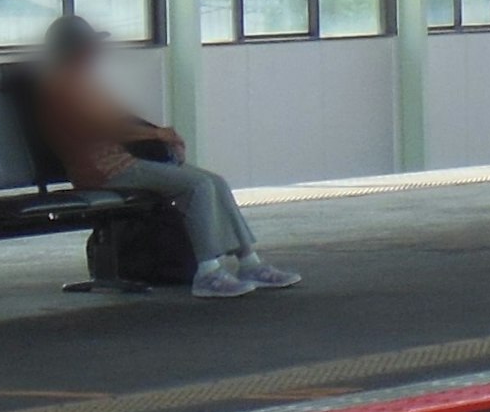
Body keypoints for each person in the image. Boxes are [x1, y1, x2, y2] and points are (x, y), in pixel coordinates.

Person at [34, 16, 298, 300]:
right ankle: (208, 271)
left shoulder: (84, 83)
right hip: (102, 170)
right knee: (197, 186)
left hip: (124, 163)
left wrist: (162, 137)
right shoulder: (61, 88)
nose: (95, 52)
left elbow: (122, 119)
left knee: (215, 181)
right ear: (75, 50)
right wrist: (157, 136)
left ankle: (249, 261)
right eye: (89, 46)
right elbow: (99, 127)